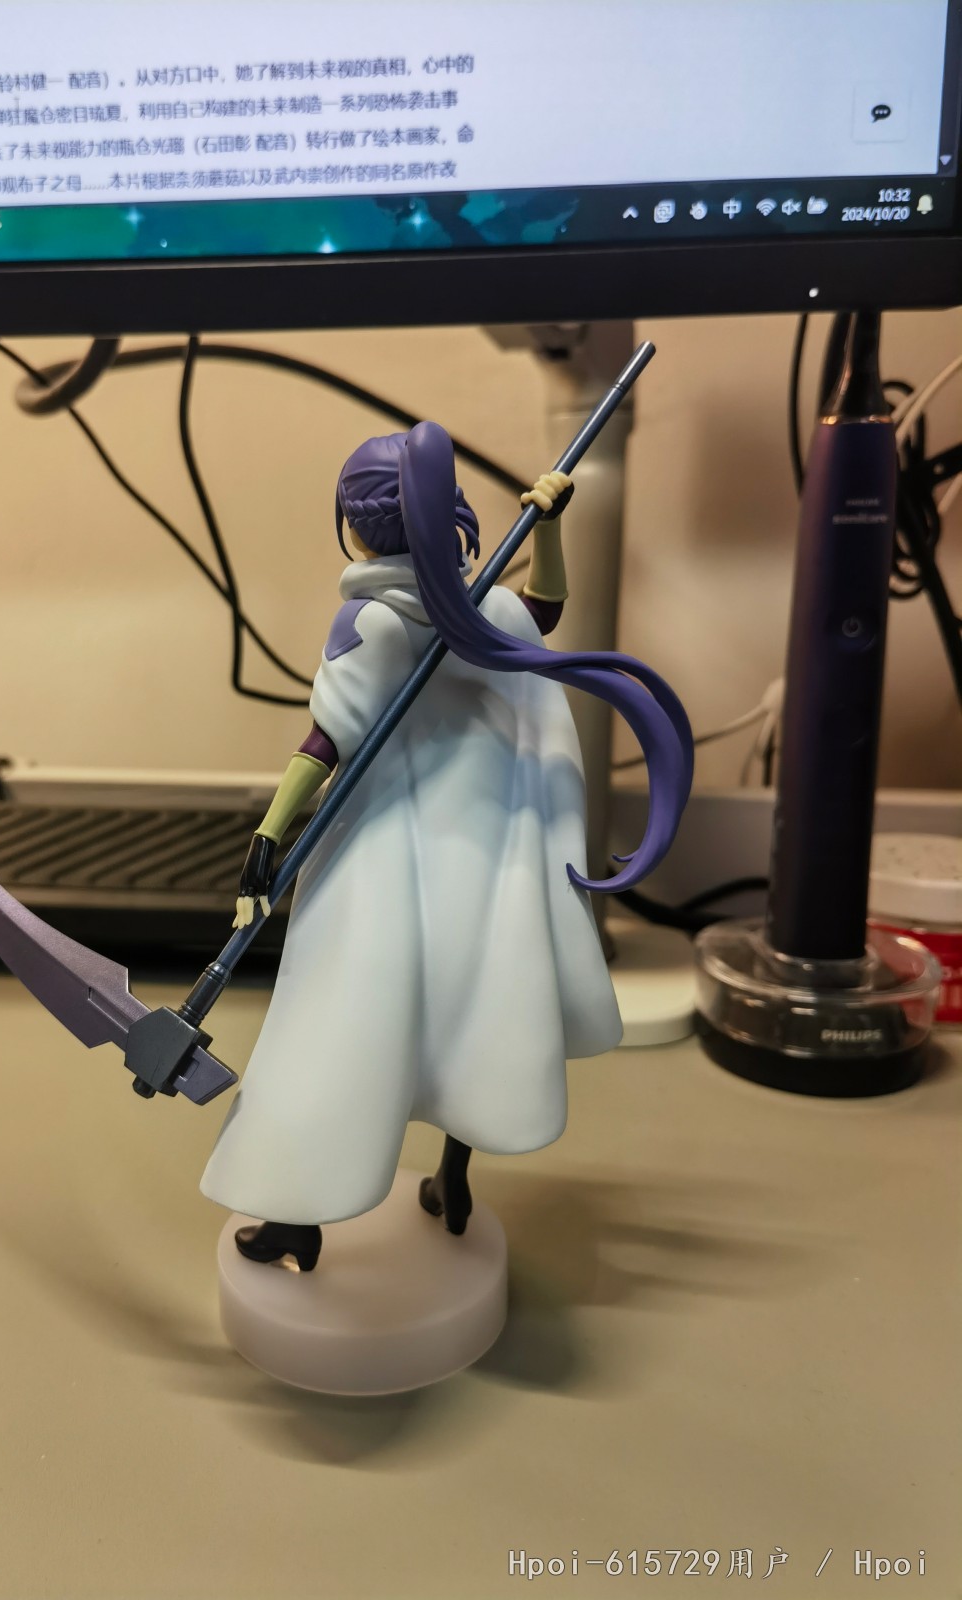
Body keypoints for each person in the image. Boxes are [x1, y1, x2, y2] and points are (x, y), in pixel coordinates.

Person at [199, 423, 691, 1271]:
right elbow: (544, 611)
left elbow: (323, 744)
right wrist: (548, 527)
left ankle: (297, 1221)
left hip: (383, 867)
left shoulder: (369, 623)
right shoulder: (484, 608)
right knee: (469, 1014)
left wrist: (268, 834)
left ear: (357, 527)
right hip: (482, 866)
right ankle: (450, 1179)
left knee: (331, 1028)